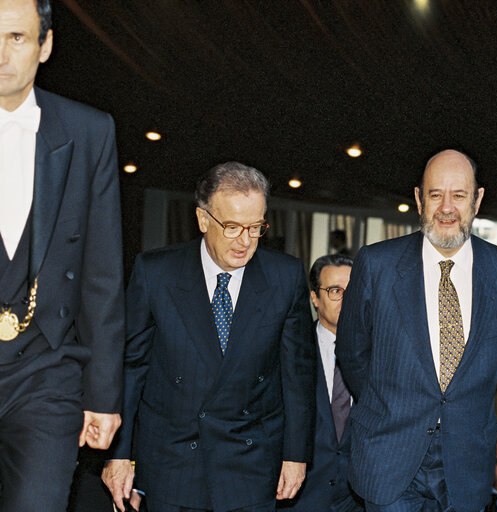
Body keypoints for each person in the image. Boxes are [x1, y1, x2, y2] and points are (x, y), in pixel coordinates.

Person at [102, 162, 315, 512]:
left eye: (255, 227)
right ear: (203, 220)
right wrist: (120, 454)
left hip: (251, 462)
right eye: (232, 227)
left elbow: (297, 376)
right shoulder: (156, 273)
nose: (245, 241)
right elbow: (130, 368)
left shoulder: (285, 276)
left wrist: (295, 456)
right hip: (173, 461)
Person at [336, 149, 497, 511]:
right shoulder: (376, 264)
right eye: (436, 194)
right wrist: (390, 403)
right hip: (389, 454)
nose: (447, 208)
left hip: (466, 459)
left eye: (459, 195)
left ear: (478, 200)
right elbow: (352, 352)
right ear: (419, 199)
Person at [0, 0, 125, 509]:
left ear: (45, 45)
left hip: (45, 371)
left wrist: (103, 394)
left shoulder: (88, 132)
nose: (1, 54)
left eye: (16, 38)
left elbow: (102, 273)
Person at [279, 253, 364, 512]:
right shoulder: (287, 351)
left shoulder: (381, 356)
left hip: (358, 501)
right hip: (298, 498)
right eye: (335, 291)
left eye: (353, 290)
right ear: (314, 298)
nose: (346, 299)